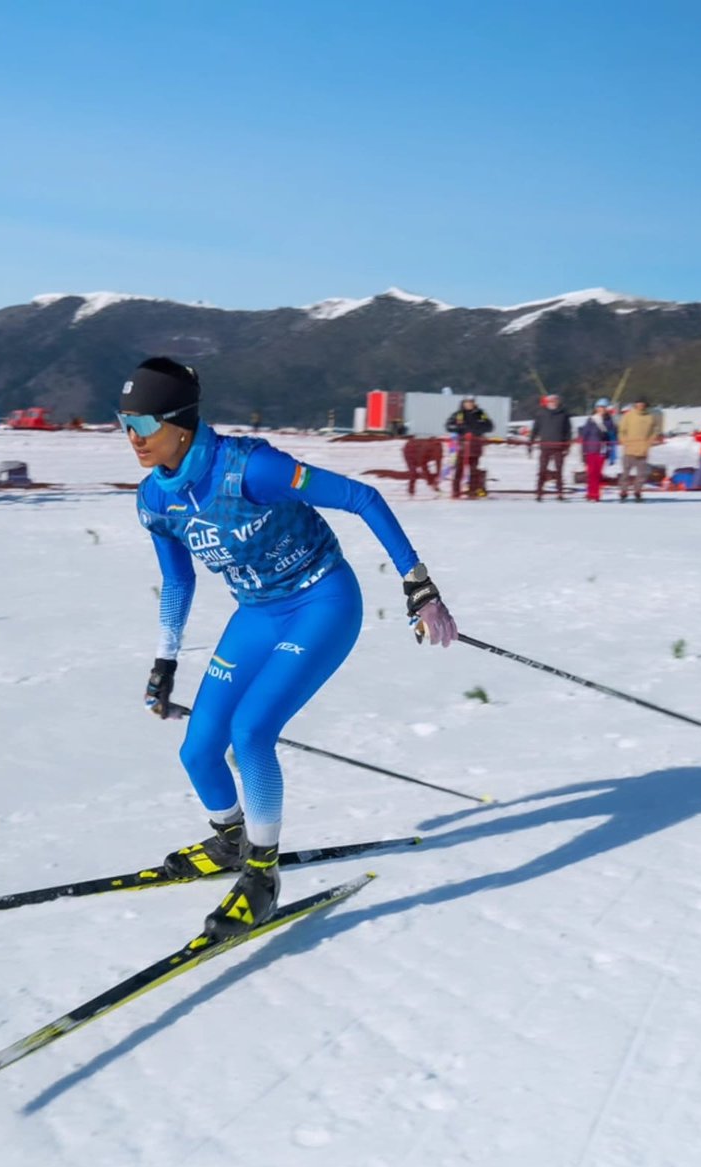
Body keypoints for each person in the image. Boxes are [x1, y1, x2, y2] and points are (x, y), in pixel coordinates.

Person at [120, 357, 457, 940]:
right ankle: (230, 841)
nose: (134, 439)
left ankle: (261, 875)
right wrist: (164, 660)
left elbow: (363, 498)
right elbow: (178, 582)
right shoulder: (156, 500)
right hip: (256, 614)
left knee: (251, 731)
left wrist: (418, 583)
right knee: (198, 749)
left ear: (179, 423)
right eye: (123, 422)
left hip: (321, 602)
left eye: (144, 424)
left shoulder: (253, 470)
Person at [444, 396, 494, 498]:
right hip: (462, 446)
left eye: (471, 402)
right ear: (463, 403)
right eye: (467, 402)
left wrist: (477, 431)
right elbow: (449, 426)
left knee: (474, 469)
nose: (469, 404)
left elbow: (489, 426)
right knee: (459, 469)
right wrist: (461, 429)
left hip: (475, 445)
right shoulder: (458, 414)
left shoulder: (480, 414)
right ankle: (456, 492)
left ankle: (473, 490)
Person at [528, 394, 573, 501]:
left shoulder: (564, 414)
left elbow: (568, 431)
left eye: (554, 400)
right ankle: (539, 492)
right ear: (547, 402)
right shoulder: (541, 413)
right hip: (545, 446)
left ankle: (559, 493)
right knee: (542, 470)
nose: (552, 402)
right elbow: (535, 428)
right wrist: (531, 441)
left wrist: (567, 445)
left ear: (558, 402)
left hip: (559, 446)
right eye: (550, 401)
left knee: (559, 471)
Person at [618, 397, 660, 502]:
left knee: (642, 474)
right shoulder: (628, 416)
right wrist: (624, 441)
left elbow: (655, 430)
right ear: (635, 405)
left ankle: (638, 491)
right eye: (638, 404)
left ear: (646, 405)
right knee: (625, 473)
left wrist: (650, 441)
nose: (640, 406)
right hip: (629, 449)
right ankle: (623, 491)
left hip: (643, 450)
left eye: (643, 404)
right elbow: (621, 430)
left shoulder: (650, 417)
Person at [579, 399, 617, 501]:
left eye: (604, 407)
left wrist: (611, 452)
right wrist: (583, 452)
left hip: (602, 450)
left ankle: (596, 494)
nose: (602, 409)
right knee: (591, 473)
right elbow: (585, 437)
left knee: (598, 473)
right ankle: (591, 493)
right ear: (596, 408)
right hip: (591, 450)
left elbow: (612, 436)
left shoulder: (609, 421)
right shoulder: (591, 420)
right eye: (600, 407)